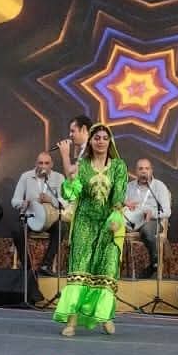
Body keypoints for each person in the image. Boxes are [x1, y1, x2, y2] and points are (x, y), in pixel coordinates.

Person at [55, 123, 128, 337]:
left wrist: (116, 216)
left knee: (107, 269)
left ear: (110, 141)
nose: (101, 141)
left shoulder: (118, 166)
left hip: (109, 224)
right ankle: (71, 322)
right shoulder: (83, 165)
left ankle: (104, 317)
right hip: (84, 223)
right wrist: (70, 175)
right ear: (91, 141)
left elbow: (119, 193)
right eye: (97, 138)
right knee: (80, 269)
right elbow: (70, 193)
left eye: (105, 138)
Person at [11, 150, 62, 274]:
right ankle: (27, 266)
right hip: (31, 217)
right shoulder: (26, 176)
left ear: (52, 165)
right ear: (36, 164)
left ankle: (46, 265)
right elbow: (14, 200)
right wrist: (23, 203)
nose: (43, 166)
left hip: (50, 219)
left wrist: (50, 200)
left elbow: (63, 203)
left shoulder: (59, 178)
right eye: (40, 163)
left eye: (46, 163)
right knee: (17, 229)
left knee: (61, 227)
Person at [122, 158, 172, 278]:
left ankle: (155, 263)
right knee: (113, 227)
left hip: (152, 221)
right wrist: (125, 205)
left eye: (147, 168)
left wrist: (152, 213)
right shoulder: (129, 187)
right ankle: (112, 266)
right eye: (140, 169)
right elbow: (122, 205)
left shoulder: (159, 186)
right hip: (131, 222)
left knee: (147, 230)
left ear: (151, 170)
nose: (144, 171)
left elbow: (167, 211)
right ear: (136, 171)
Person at [54, 114, 91, 179]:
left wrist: (65, 155)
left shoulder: (92, 149)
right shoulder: (82, 150)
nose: (70, 135)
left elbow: (72, 178)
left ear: (83, 129)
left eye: (73, 131)